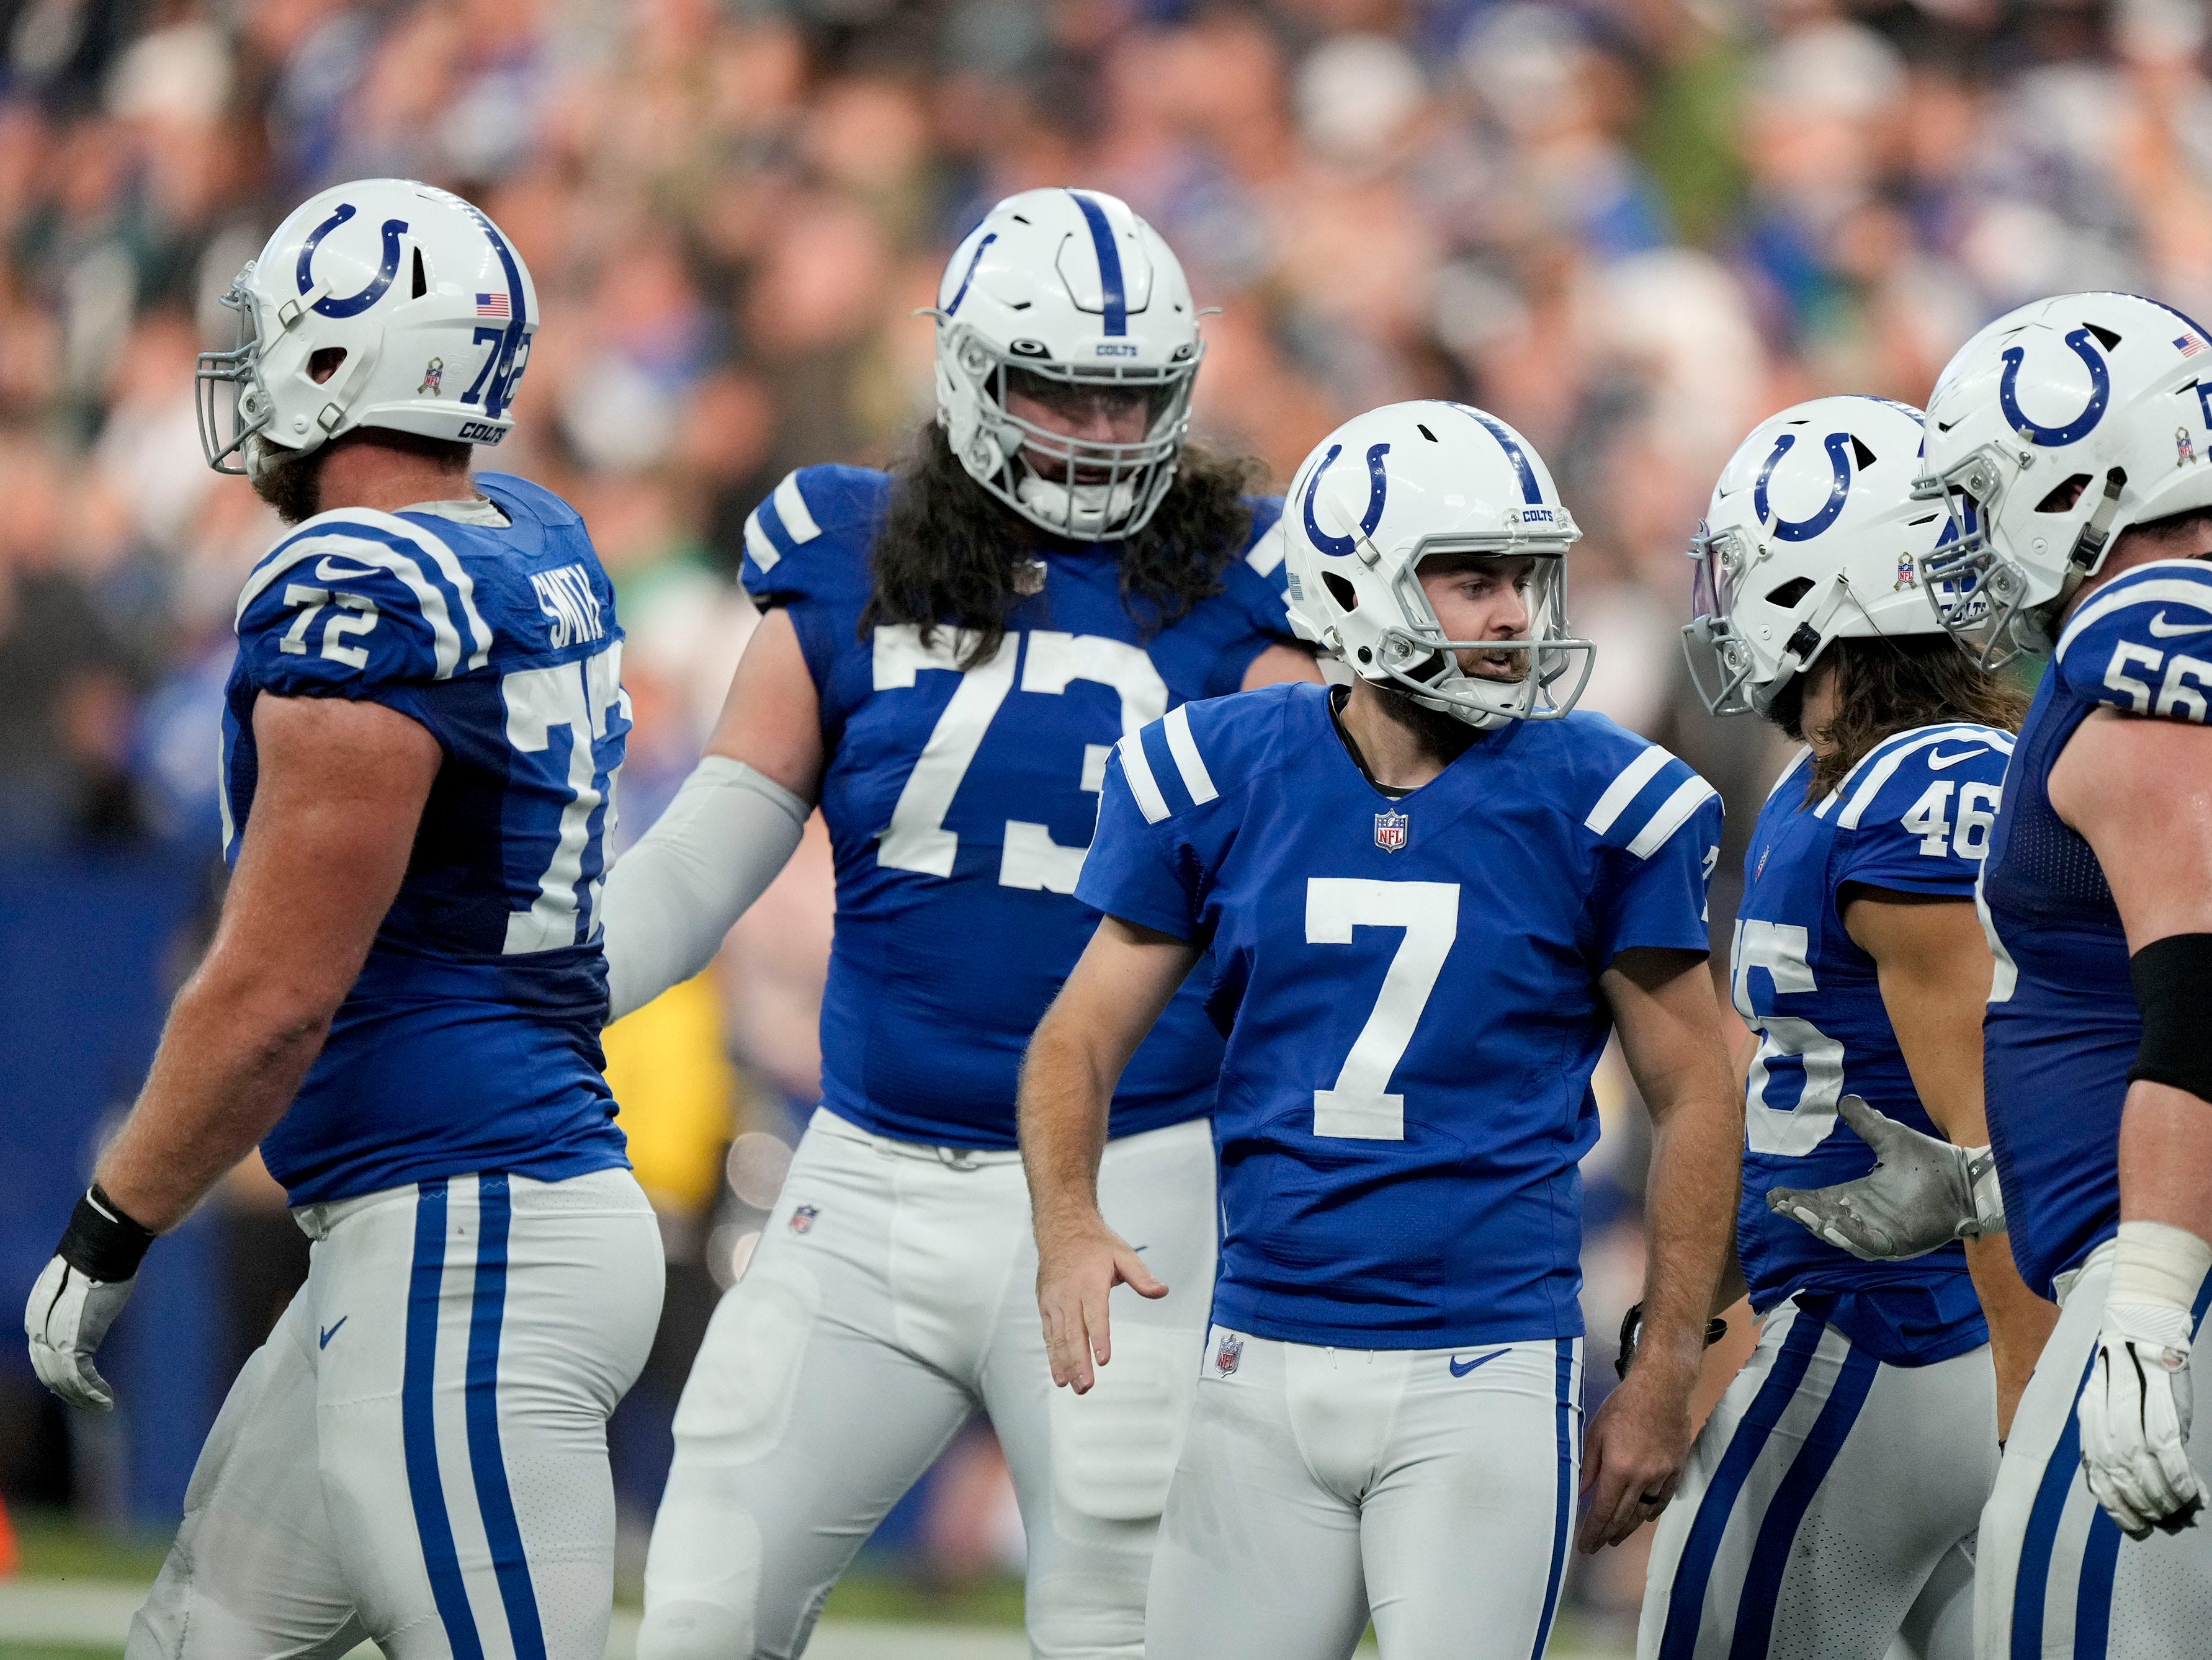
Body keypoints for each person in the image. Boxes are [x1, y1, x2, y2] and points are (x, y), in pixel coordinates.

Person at [612, 187, 1317, 1660]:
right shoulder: (846, 548)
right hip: (863, 1178)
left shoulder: (1252, 585)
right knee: (700, 1605)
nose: (1102, 437)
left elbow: (1323, 884)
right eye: (1062, 390)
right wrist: (541, 985)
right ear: (968, 372)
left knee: (1119, 1623)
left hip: (1132, 1191)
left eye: (1134, 403)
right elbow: (708, 854)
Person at [23, 179, 663, 1660]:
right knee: (203, 1638)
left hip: (470, 1237)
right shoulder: (527, 532)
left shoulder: (360, 591)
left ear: (347, 366)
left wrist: (113, 1223)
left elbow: (274, 994)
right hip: (441, 1228)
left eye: (277, 339)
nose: (249, 375)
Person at [1774, 292, 2212, 1656]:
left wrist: (2146, 1305)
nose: (1965, 540)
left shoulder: (2157, 635)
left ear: (2081, 475)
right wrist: (1990, 1182)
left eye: (1980, 494)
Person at [1019, 398, 1747, 1660]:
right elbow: (1075, 1039)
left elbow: (1697, 1092)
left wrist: (1668, 1364)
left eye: (1525, 577)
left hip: (1485, 1368)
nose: (1517, 613)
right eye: (1470, 581)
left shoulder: (1601, 797)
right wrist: (1067, 1221)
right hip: (1259, 1353)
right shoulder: (1224, 771)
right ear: (1355, 589)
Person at [1640, 395, 2058, 1660]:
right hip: (1889, 1339)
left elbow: (1990, 1147)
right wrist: (1683, 1322)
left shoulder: (1911, 791)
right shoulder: (1834, 776)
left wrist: (2032, 1402)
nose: (1727, 608)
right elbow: (1795, 1112)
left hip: (1889, 1348)